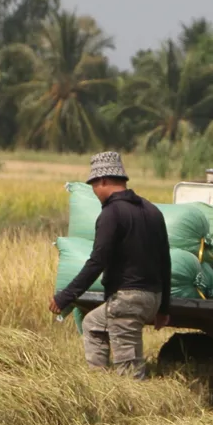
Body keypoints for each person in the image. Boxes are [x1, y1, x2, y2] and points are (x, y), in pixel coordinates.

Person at [49, 151, 171, 378]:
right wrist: (164, 308)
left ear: (103, 181)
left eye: (94, 186)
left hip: (127, 299)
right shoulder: (152, 210)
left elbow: (97, 261)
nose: (94, 192)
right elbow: (165, 259)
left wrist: (65, 297)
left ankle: (138, 406)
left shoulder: (112, 213)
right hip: (152, 298)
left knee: (130, 369)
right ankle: (100, 383)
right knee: (93, 325)